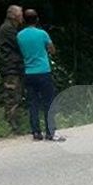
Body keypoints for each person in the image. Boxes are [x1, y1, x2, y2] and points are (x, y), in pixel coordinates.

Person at [17, 9, 64, 142]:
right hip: (43, 71)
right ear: (37, 19)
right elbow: (52, 49)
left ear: (24, 21)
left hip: (29, 72)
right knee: (48, 102)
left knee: (33, 103)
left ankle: (36, 132)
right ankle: (50, 132)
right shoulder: (42, 34)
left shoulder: (20, 36)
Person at [0, 5, 24, 132]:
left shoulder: (10, 28)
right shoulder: (8, 29)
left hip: (13, 66)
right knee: (12, 96)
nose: (22, 16)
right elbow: (20, 44)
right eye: (20, 14)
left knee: (15, 95)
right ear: (14, 15)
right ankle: (11, 125)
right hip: (10, 67)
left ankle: (13, 123)